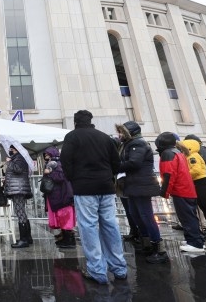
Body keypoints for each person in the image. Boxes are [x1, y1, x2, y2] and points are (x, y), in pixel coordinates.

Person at [60, 110, 127, 284]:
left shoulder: (72, 137)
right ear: (91, 121)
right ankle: (119, 268)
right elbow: (116, 163)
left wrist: (73, 178)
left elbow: (65, 161)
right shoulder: (105, 138)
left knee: (88, 226)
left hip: (84, 187)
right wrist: (108, 176)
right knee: (110, 224)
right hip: (105, 186)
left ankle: (97, 271)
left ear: (75, 122)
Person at [115, 121, 168, 263]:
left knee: (146, 215)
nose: (119, 135)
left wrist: (114, 167)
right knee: (135, 214)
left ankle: (159, 248)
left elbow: (134, 163)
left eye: (121, 132)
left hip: (141, 185)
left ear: (129, 132)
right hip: (134, 185)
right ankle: (147, 243)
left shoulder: (137, 144)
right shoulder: (129, 144)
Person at [155, 132, 204, 253]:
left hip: (181, 190)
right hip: (187, 189)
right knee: (189, 216)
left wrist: (164, 192)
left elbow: (168, 175)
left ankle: (195, 243)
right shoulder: (177, 152)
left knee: (187, 218)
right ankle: (194, 240)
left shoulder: (168, 154)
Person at [42, 146, 76, 249]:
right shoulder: (54, 163)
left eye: (47, 154)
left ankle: (69, 240)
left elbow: (61, 177)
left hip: (62, 195)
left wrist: (50, 173)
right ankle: (65, 238)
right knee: (61, 217)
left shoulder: (58, 164)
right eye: (45, 155)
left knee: (65, 217)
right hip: (58, 194)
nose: (46, 156)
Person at [4, 144, 34, 248]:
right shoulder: (17, 158)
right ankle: (27, 237)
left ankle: (24, 240)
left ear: (16, 149)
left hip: (18, 190)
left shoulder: (19, 158)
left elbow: (18, 170)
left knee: (20, 212)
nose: (10, 151)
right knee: (21, 212)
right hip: (17, 188)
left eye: (11, 149)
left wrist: (10, 162)